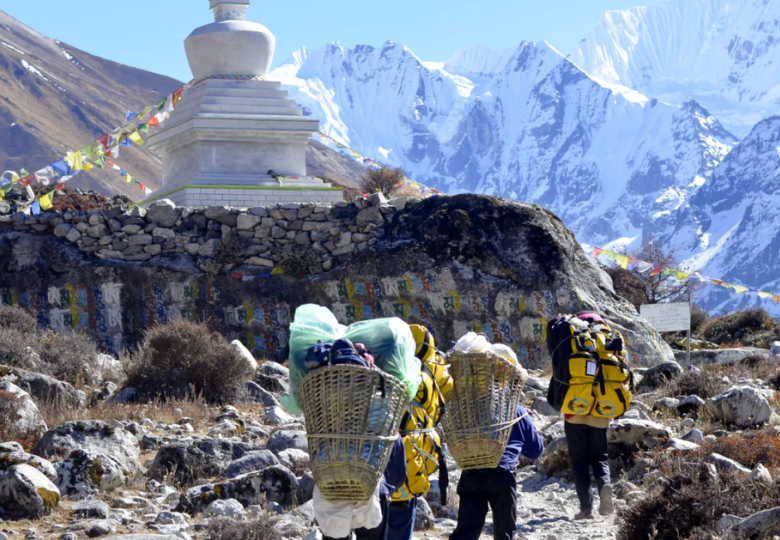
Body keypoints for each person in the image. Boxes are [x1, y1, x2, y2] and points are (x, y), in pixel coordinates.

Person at [388, 325, 454, 540]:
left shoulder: (390, 371)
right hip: (410, 459)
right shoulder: (427, 376)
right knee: (401, 516)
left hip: (378, 462)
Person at [449, 406, 544, 540]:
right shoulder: (518, 412)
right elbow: (535, 451)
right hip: (502, 474)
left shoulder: (467, 410)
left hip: (471, 471)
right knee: (504, 531)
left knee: (466, 530)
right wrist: (530, 423)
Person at [564, 312, 614, 520]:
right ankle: (605, 487)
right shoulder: (607, 340)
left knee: (579, 462)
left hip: (575, 411)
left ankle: (586, 509)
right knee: (600, 457)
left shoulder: (574, 338)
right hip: (600, 412)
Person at [318, 435, 407, 540]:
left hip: (334, 492)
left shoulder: (327, 430)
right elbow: (399, 477)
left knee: (335, 535)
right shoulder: (389, 432)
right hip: (374, 496)